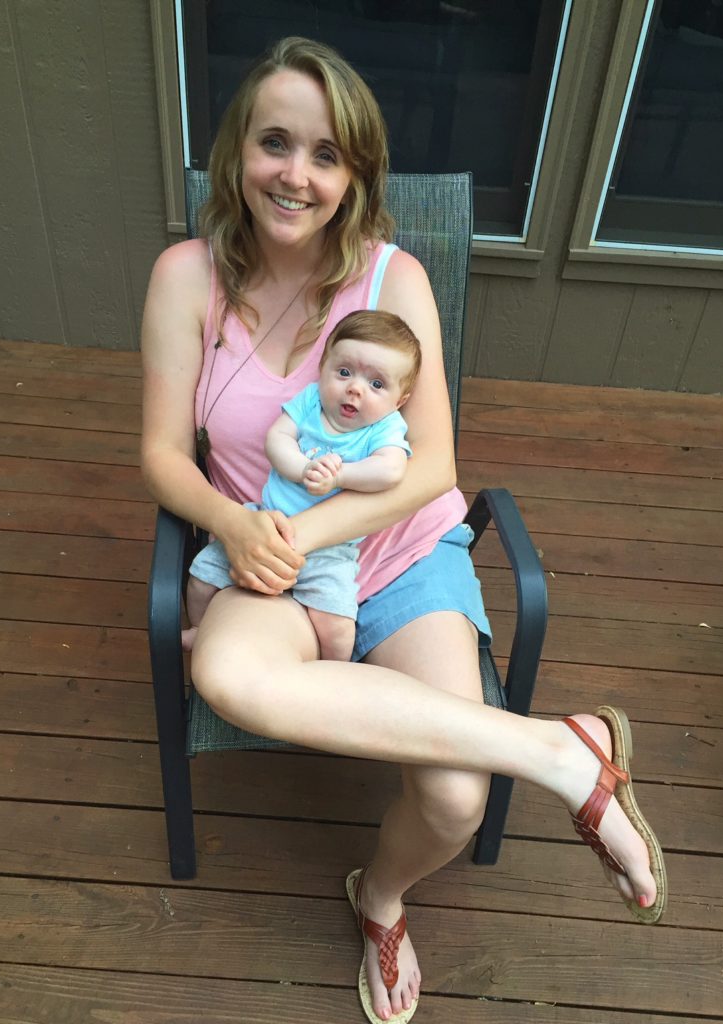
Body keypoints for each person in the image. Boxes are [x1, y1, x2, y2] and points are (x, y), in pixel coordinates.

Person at [141, 36, 667, 1024]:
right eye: (275, 143)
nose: (295, 174)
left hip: (401, 551)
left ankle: (380, 897)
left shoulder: (394, 278)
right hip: (271, 559)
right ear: (238, 151)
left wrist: (319, 528)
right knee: (224, 672)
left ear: (355, 174)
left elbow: (433, 470)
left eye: (327, 154)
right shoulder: (186, 277)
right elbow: (166, 452)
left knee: (456, 804)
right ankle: (561, 749)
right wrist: (233, 521)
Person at [183, 309, 421, 659]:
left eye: (376, 384)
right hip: (265, 521)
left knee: (337, 623)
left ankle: (333, 670)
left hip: (330, 546)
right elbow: (277, 437)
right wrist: (303, 469)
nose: (354, 388)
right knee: (202, 576)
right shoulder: (311, 401)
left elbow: (390, 471)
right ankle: (199, 630)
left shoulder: (385, 428)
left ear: (398, 400)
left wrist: (339, 477)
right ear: (323, 369)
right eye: (343, 372)